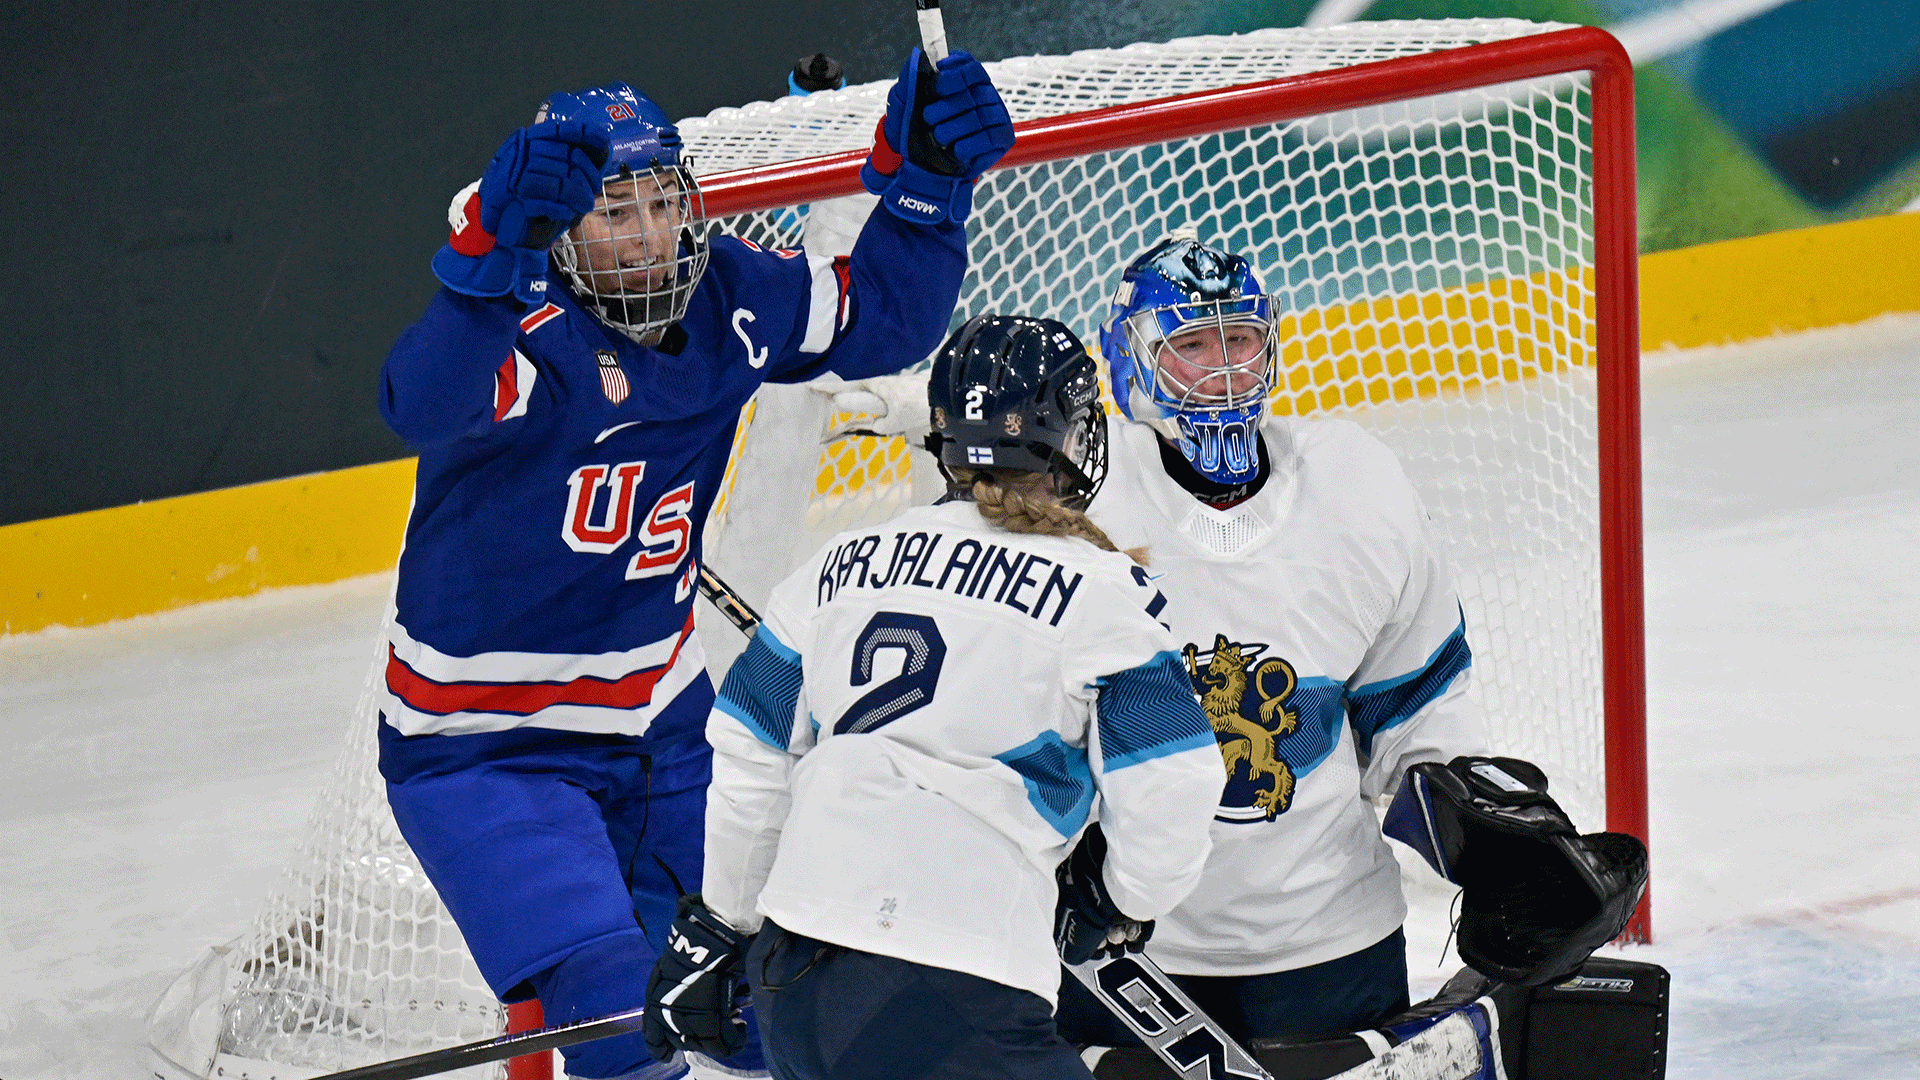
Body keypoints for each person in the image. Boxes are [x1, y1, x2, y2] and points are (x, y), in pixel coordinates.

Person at [373, 49, 1013, 1080]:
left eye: (660, 205)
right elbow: (422, 402)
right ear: (563, 228)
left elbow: (886, 318)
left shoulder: (731, 295)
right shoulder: (524, 324)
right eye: (610, 215)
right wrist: (482, 263)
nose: (645, 238)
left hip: (661, 720)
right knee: (617, 1017)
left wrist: (931, 185)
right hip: (487, 746)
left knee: (795, 1000)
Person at [638, 314, 1226, 1080]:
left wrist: (724, 921)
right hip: (957, 987)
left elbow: (750, 750)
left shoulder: (833, 565)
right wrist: (1119, 898)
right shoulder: (1105, 595)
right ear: (1074, 437)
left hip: (794, 978)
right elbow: (1174, 784)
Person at [1053, 229, 1492, 1053]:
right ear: (1127, 361)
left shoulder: (1358, 485)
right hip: (1124, 952)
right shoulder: (1078, 507)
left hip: (1330, 941)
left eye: (1241, 339)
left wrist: (1484, 839)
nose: (1224, 369)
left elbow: (1417, 705)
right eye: (1190, 344)